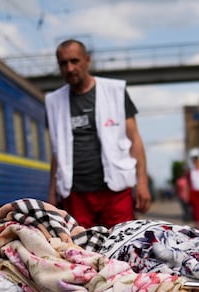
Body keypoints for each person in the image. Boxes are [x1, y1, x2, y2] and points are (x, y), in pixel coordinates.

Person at [45, 39, 151, 228]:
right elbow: (56, 150)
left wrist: (142, 183)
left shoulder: (115, 92)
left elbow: (134, 139)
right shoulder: (53, 102)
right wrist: (52, 193)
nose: (69, 68)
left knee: (120, 246)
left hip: (115, 191)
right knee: (83, 251)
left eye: (74, 61)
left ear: (87, 60)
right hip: (75, 195)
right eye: (63, 63)